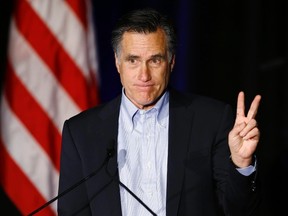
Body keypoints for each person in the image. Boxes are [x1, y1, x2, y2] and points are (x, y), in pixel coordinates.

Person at [57, 8, 261, 216]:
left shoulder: (211, 121)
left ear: (171, 62)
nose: (144, 75)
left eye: (155, 60)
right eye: (133, 60)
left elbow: (238, 211)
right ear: (118, 63)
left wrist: (241, 164)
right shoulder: (81, 132)